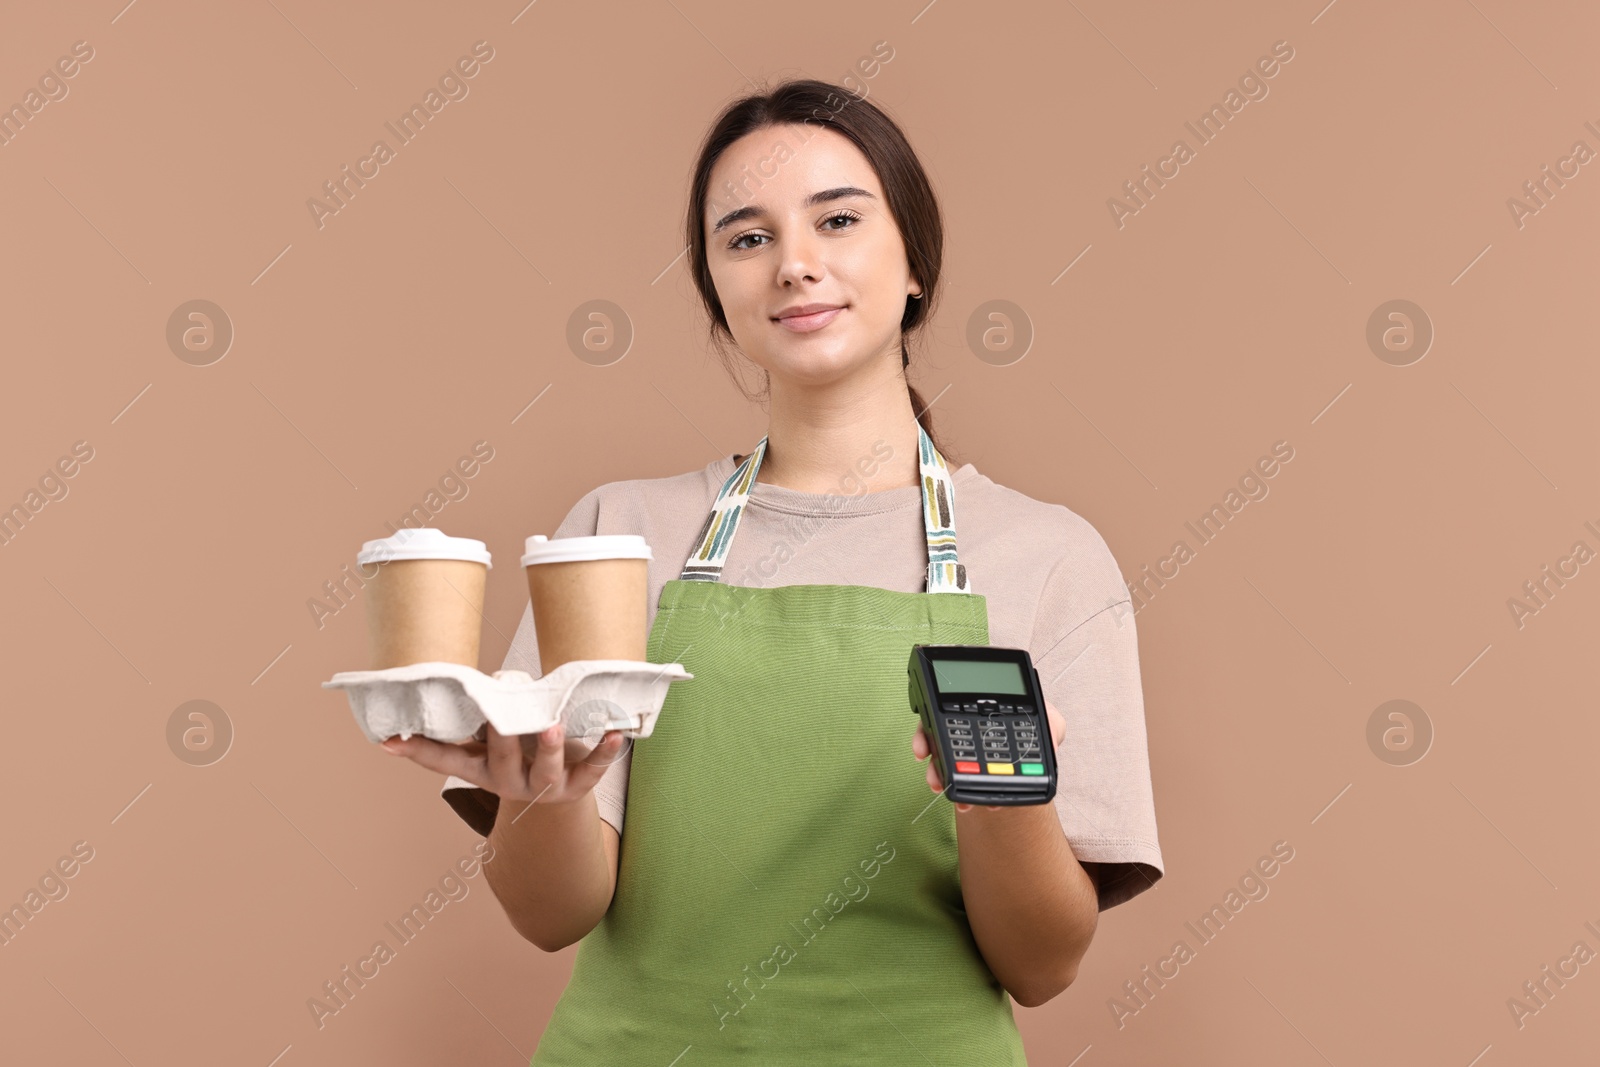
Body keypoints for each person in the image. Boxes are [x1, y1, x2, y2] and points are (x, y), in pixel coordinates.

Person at [382, 77, 1163, 1064]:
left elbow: (1042, 964)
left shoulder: (1048, 557)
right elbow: (550, 914)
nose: (795, 265)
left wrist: (1003, 801)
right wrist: (545, 788)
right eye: (746, 239)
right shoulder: (616, 535)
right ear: (717, 291)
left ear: (915, 261)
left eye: (837, 219)